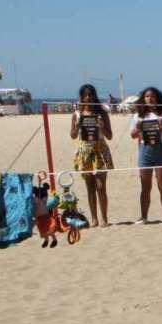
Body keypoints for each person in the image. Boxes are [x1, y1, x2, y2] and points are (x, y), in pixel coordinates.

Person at [129, 86, 162, 225]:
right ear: (143, 99)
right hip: (145, 150)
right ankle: (144, 217)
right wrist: (137, 129)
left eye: (153, 96)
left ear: (157, 99)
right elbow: (132, 135)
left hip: (161, 150)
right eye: (147, 96)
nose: (150, 99)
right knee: (145, 186)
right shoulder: (138, 116)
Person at [69, 84, 113, 227]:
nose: (88, 97)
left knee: (101, 187)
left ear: (94, 96)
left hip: (100, 150)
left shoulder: (102, 113)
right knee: (90, 187)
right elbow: (73, 135)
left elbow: (110, 135)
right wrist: (76, 125)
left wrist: (102, 126)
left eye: (90, 94)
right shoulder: (77, 114)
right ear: (81, 97)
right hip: (85, 152)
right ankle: (94, 218)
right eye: (85, 95)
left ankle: (104, 218)